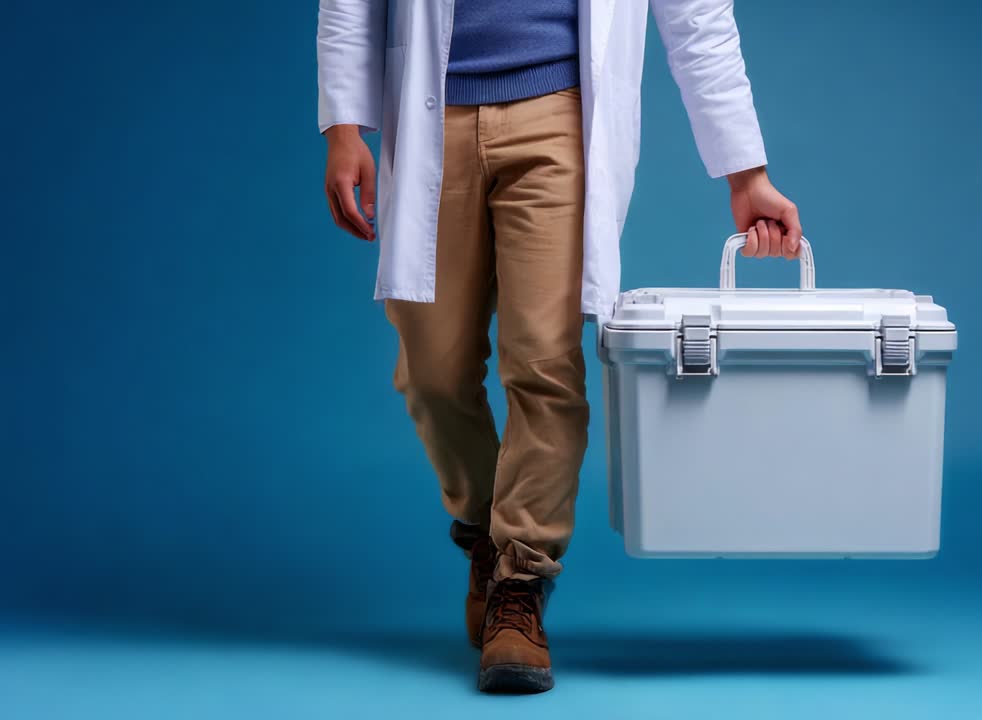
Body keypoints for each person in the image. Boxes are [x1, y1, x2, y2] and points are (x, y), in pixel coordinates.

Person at [317, 0, 802, 694]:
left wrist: (745, 174)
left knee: (544, 363)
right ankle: (485, 531)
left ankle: (520, 579)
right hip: (431, 109)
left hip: (560, 115)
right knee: (432, 374)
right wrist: (343, 126)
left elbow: (698, 17)